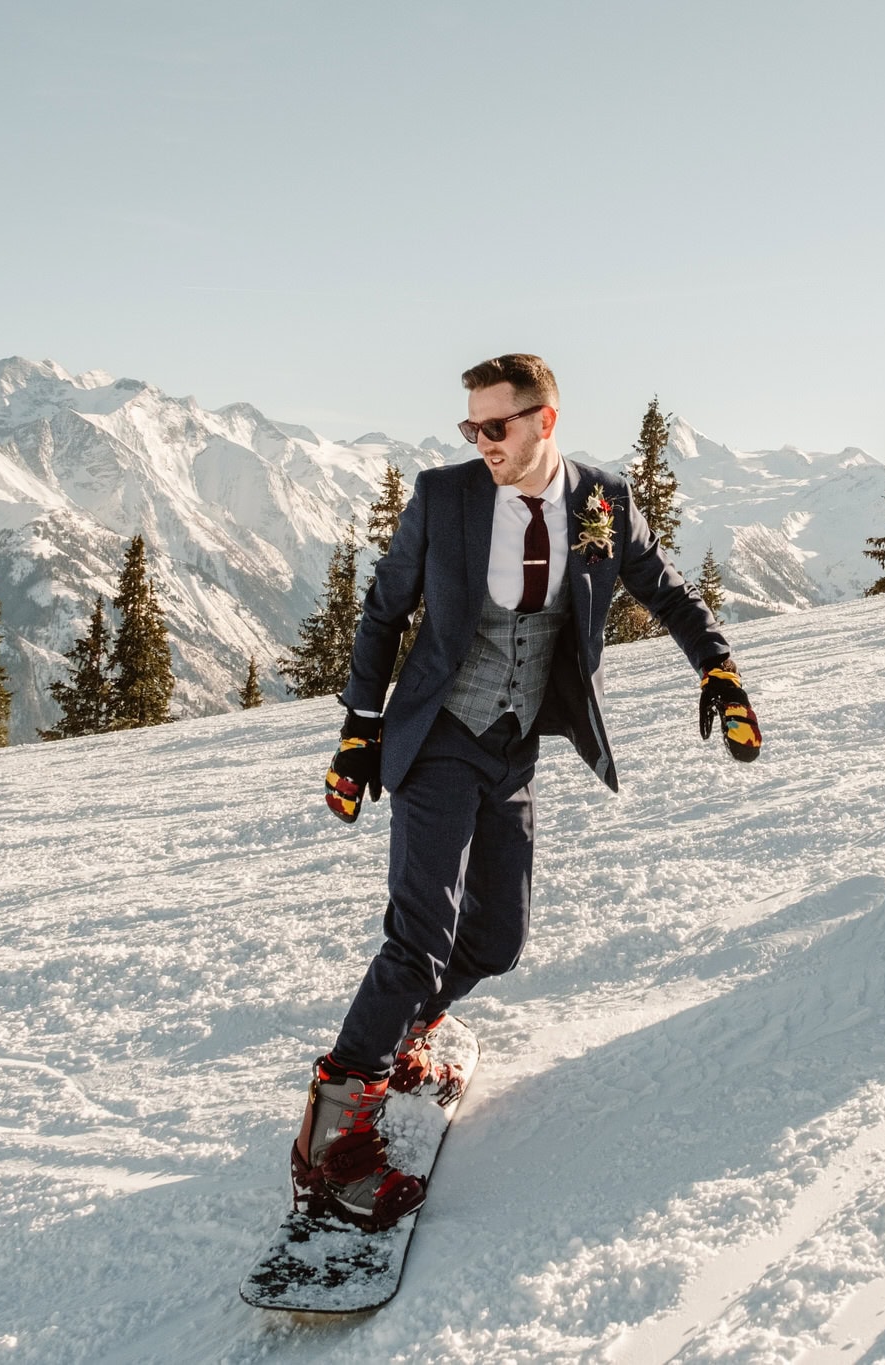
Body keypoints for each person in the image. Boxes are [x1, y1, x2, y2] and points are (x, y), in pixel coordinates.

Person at [290, 353, 763, 1230]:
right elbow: (384, 611)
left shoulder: (603, 503)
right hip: (437, 736)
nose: (481, 442)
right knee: (420, 937)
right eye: (470, 427)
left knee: (497, 940)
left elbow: (666, 591)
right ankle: (332, 1140)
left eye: (495, 427)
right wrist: (359, 730)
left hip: (513, 751)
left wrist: (721, 673)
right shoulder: (445, 497)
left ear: (546, 422)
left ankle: (403, 1035)